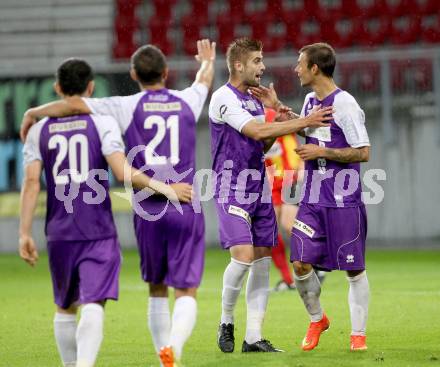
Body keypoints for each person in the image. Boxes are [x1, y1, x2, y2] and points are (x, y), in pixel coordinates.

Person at [20, 40, 216, 367]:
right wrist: (207, 61)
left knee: (156, 289)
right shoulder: (187, 101)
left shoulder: (123, 106)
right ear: (166, 73)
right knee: (186, 290)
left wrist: (34, 111)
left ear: (133, 74)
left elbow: (75, 105)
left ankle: (159, 354)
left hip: (147, 209)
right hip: (184, 202)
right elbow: (204, 81)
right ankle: (173, 351)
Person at [208, 37, 333, 354]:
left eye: (262, 60)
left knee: (262, 261)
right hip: (231, 186)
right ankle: (226, 321)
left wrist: (278, 117)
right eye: (257, 61)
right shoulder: (224, 98)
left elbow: (259, 144)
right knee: (243, 257)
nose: (263, 67)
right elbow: (255, 132)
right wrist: (300, 121)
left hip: (258, 187)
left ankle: (253, 337)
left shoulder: (252, 100)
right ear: (239, 65)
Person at [286, 43, 371, 351]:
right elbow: (314, 134)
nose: (295, 69)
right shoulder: (310, 100)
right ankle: (317, 319)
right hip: (311, 197)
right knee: (299, 263)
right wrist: (288, 114)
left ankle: (357, 335)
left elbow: (363, 152)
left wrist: (322, 152)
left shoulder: (345, 104)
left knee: (353, 269)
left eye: (300, 63)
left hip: (342, 199)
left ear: (314, 69)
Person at [264, 107, 302, 291]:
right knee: (270, 232)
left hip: (287, 181)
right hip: (268, 185)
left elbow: (292, 149)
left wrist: (298, 171)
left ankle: (313, 262)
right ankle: (289, 279)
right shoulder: (249, 121)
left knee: (289, 225)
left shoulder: (274, 117)